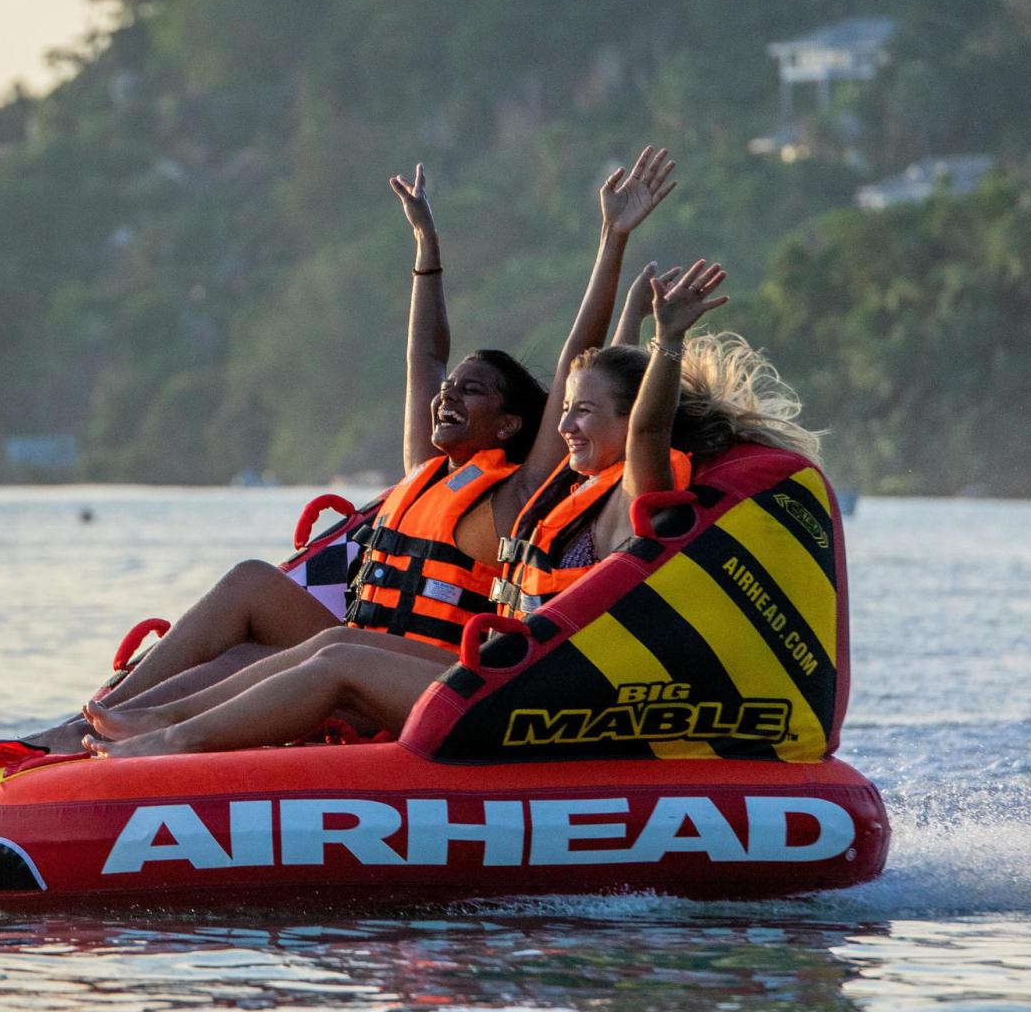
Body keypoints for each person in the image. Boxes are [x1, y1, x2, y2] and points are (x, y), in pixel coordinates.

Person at [42, 146, 676, 751]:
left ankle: (148, 740)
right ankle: (96, 722)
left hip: (421, 675)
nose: (445, 396)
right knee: (248, 600)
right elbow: (424, 356)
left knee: (313, 644)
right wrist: (427, 250)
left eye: (471, 391)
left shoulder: (516, 492)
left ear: (511, 425)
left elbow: (574, 363)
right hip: (358, 647)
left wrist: (611, 243)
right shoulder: (427, 472)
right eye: (449, 388)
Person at [83, 257, 818, 759]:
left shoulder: (639, 494)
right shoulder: (569, 485)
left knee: (338, 663)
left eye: (585, 415)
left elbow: (645, 415)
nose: (564, 426)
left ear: (629, 425)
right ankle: (157, 720)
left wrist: (668, 340)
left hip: (542, 693)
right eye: (564, 413)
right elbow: (585, 368)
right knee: (332, 647)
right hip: (510, 669)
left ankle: (169, 744)